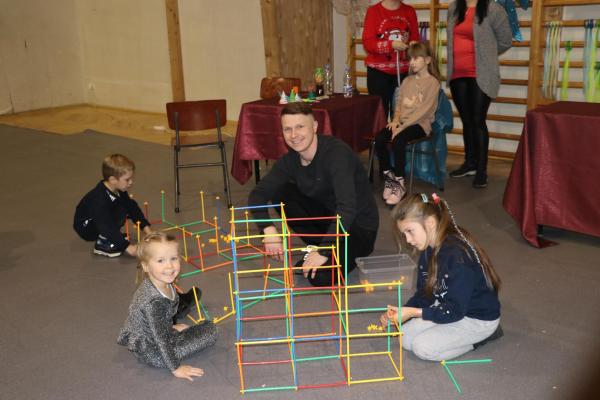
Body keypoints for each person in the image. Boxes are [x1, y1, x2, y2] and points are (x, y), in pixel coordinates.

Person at [248, 102, 379, 287]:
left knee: (321, 277)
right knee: (280, 191)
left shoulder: (337, 154)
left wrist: (324, 249)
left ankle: (326, 251)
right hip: (329, 219)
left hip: (358, 228)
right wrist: (267, 229)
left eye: (300, 127)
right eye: (287, 129)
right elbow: (257, 194)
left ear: (315, 127)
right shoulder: (290, 159)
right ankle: (320, 249)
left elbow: (347, 208)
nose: (294, 135)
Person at [380, 193, 503, 361]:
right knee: (404, 338)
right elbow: (424, 294)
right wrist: (401, 312)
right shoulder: (428, 249)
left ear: (430, 223)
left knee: (422, 348)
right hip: (448, 307)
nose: (408, 240)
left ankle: (482, 338)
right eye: (404, 234)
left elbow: (456, 310)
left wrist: (413, 312)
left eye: (410, 231)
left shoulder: (458, 257)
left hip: (475, 319)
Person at [117, 232, 218, 381]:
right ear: (146, 266)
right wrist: (176, 368)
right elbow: (161, 339)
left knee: (202, 328)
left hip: (153, 338)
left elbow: (158, 322)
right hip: (153, 352)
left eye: (173, 258)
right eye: (161, 260)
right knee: (210, 330)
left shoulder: (161, 282)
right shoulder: (154, 302)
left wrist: (171, 328)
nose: (169, 266)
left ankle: (177, 328)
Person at [446, 0, 512, 188]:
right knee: (467, 121)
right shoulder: (453, 8)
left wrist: (486, 53)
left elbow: (505, 41)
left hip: (481, 74)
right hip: (458, 74)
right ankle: (470, 164)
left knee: (478, 120)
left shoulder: (494, 9)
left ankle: (481, 170)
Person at [374, 42, 441, 206]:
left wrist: (402, 127)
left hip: (420, 124)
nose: (411, 62)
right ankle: (389, 177)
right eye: (410, 58)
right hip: (402, 123)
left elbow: (423, 111)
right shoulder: (407, 81)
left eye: (416, 58)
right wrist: (396, 120)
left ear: (427, 60)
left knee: (399, 141)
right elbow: (398, 104)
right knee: (380, 139)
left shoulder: (433, 83)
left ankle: (400, 182)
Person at [73, 154, 152, 257]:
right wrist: (129, 248)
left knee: (127, 205)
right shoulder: (99, 198)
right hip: (86, 228)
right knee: (119, 210)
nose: (131, 182)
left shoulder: (118, 190)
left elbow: (132, 208)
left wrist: (147, 230)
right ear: (113, 180)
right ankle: (102, 243)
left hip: (99, 221)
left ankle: (112, 237)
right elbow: (106, 225)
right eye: (127, 179)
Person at [362, 0, 419, 120]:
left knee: (402, 117)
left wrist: (413, 45)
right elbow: (368, 43)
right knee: (379, 117)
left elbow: (415, 39)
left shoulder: (410, 11)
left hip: (404, 74)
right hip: (378, 74)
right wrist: (391, 44)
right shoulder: (373, 11)